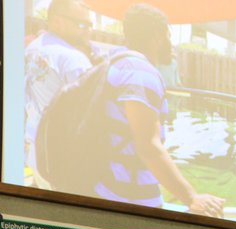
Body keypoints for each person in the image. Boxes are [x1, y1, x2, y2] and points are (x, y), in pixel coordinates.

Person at [93, 5, 224, 216]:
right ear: (157, 36)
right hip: (130, 200)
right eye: (168, 35)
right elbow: (148, 146)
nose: (170, 43)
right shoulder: (140, 72)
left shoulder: (114, 61)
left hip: (104, 187)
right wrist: (192, 198)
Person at [25, 0, 96, 178]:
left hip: (37, 152)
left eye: (90, 25)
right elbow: (90, 115)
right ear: (57, 21)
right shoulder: (73, 59)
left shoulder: (32, 49)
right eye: (81, 24)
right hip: (66, 160)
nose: (88, 30)